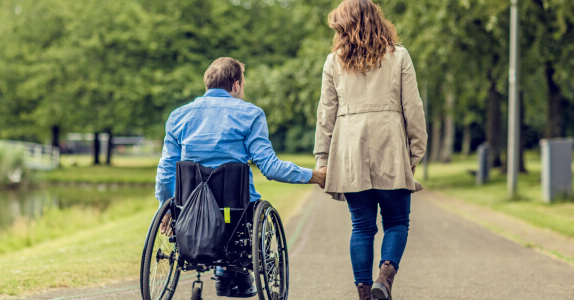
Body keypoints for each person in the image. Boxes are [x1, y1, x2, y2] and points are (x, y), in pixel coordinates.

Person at [155, 57, 326, 297]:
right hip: (236, 212)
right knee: (245, 210)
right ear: (236, 85)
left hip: (189, 210)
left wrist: (168, 207)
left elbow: (165, 172)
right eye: (242, 85)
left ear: (207, 85)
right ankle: (230, 273)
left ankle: (226, 273)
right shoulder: (250, 114)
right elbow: (270, 167)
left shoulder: (178, 116)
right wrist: (315, 176)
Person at [313, 0, 428, 299]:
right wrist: (415, 153)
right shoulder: (399, 56)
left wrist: (322, 160)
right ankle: (385, 279)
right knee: (397, 222)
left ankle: (365, 293)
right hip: (389, 145)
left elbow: (326, 114)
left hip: (350, 149)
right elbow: (413, 108)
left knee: (362, 226)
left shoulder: (333, 62)